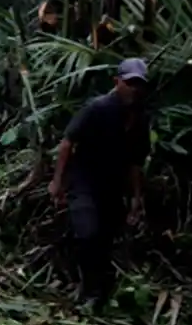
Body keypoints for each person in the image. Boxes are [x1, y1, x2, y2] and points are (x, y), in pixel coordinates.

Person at [49, 57, 151, 311]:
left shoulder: (140, 118)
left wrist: (136, 198)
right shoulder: (97, 108)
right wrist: (57, 181)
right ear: (117, 82)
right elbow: (67, 142)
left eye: (138, 84)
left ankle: (99, 294)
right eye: (129, 83)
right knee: (87, 232)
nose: (134, 89)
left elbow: (136, 162)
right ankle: (89, 291)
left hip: (112, 186)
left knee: (105, 239)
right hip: (84, 180)